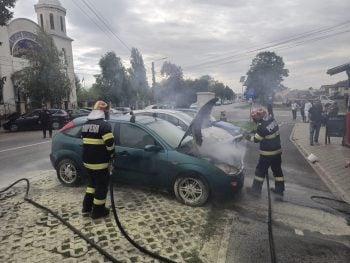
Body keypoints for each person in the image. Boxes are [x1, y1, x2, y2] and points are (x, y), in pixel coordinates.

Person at [81, 100, 115, 219]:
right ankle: (98, 211)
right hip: (100, 163)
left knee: (92, 184)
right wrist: (112, 155)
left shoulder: (85, 124)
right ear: (103, 112)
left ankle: (86, 207)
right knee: (101, 186)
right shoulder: (105, 125)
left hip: (87, 162)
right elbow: (110, 144)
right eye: (106, 112)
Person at [244, 108, 285, 197]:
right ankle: (280, 190)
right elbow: (267, 131)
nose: (254, 120)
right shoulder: (271, 119)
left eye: (255, 119)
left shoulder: (261, 126)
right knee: (278, 172)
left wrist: (246, 136)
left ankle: (256, 190)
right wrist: (255, 131)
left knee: (260, 172)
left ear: (259, 117)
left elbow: (256, 139)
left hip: (267, 155)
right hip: (277, 152)